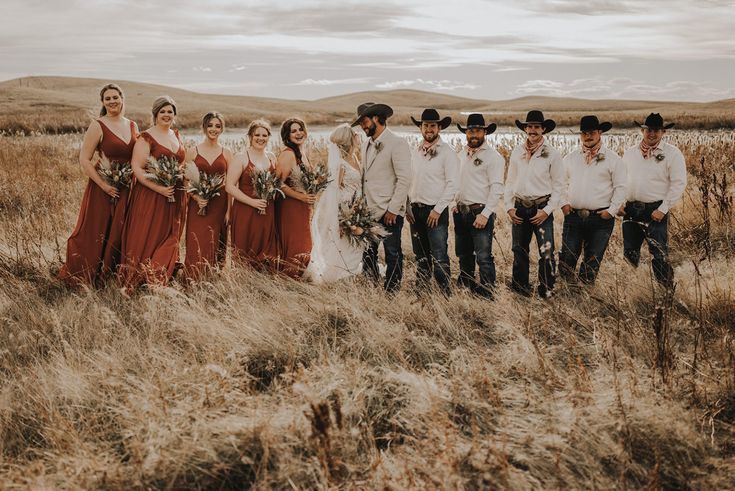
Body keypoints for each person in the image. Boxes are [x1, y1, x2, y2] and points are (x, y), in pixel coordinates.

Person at [59, 83, 138, 286]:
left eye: (115, 97)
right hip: (103, 188)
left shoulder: (132, 125)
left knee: (121, 230)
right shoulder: (98, 125)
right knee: (96, 229)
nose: (112, 101)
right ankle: (87, 274)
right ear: (103, 102)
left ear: (122, 98)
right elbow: (84, 159)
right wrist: (103, 185)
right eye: (107, 98)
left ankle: (111, 274)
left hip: (126, 187)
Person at [118, 96, 186, 289]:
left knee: (170, 234)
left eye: (170, 111)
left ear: (174, 114)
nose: (166, 115)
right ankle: (142, 276)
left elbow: (180, 164)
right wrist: (160, 188)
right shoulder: (146, 137)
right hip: (151, 195)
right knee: (149, 233)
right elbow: (137, 169)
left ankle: (162, 273)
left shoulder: (176, 135)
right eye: (162, 111)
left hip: (175, 195)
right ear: (155, 114)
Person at [620, 113, 687, 288]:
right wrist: (619, 203)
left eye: (656, 130)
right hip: (631, 209)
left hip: (655, 209)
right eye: (649, 130)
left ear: (663, 132)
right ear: (642, 131)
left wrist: (663, 209)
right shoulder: (630, 153)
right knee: (630, 252)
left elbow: (679, 183)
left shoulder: (672, 153)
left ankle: (665, 290)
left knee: (658, 253)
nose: (652, 133)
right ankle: (634, 288)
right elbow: (621, 181)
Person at [351, 102, 412, 293]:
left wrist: (393, 209)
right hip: (368, 211)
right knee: (368, 253)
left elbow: (404, 179)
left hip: (389, 211)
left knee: (392, 253)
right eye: (360, 123)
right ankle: (371, 286)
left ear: (377, 118)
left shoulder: (398, 143)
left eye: (365, 121)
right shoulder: (366, 143)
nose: (362, 126)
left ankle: (391, 291)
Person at [559, 115, 626, 285]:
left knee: (592, 260)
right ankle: (567, 293)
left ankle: (584, 296)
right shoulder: (570, 158)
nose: (588, 136)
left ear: (600, 133)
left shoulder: (613, 159)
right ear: (581, 135)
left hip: (600, 218)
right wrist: (564, 204)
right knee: (568, 257)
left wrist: (610, 212)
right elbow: (558, 182)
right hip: (573, 216)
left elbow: (621, 187)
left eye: (592, 132)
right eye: (584, 133)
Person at [504, 110, 564, 298]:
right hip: (520, 207)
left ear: (543, 129)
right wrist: (509, 207)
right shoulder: (517, 151)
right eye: (529, 127)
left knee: (546, 252)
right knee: (519, 250)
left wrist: (547, 211)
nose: (532, 130)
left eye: (536, 127)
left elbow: (559, 186)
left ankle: (546, 290)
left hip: (541, 208)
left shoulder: (552, 154)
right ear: (525, 129)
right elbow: (510, 181)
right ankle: (520, 289)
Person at [406, 109, 457, 295]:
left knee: (439, 255)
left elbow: (452, 184)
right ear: (420, 128)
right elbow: (408, 180)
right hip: (415, 210)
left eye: (432, 126)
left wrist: (437, 210)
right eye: (425, 125)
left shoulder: (448, 153)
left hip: (435, 211)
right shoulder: (415, 152)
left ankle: (445, 294)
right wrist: (407, 206)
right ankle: (422, 292)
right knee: (420, 256)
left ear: (439, 128)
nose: (429, 129)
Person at [305, 123, 365, 282]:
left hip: (358, 206)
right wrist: (340, 218)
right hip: (346, 208)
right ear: (349, 139)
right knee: (344, 242)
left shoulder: (355, 158)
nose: (358, 137)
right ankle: (341, 274)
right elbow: (334, 192)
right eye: (355, 135)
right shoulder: (340, 164)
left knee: (356, 243)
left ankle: (350, 271)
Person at [453, 113, 503, 298]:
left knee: (483, 256)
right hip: (461, 212)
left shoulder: (493, 157)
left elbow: (497, 188)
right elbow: (454, 181)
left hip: (480, 211)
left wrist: (486, 214)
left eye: (477, 131)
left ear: (484, 132)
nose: (474, 134)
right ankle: (467, 286)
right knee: (464, 254)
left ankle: (488, 292)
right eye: (470, 131)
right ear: (466, 133)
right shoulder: (459, 155)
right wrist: (453, 203)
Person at [183, 112, 231, 279]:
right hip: (198, 205)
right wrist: (197, 198)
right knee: (197, 239)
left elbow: (230, 184)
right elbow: (185, 182)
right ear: (204, 127)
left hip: (220, 204)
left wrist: (229, 212)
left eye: (218, 126)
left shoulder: (227, 153)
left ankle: (214, 277)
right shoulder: (192, 152)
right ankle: (193, 277)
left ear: (222, 129)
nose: (214, 129)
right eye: (210, 125)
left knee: (216, 241)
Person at [227, 119, 279, 270]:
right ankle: (244, 280)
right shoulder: (241, 157)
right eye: (257, 135)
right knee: (245, 247)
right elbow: (229, 186)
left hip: (267, 211)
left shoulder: (271, 157)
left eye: (264, 135)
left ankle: (265, 280)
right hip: (246, 210)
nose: (261, 138)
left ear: (269, 137)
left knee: (266, 248)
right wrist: (252, 202)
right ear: (250, 136)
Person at [275, 118, 315, 278]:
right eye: (293, 131)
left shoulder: (303, 153)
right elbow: (277, 183)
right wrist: (301, 197)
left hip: (303, 207)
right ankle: (289, 278)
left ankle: (297, 278)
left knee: (305, 244)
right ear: (287, 135)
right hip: (291, 208)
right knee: (297, 244)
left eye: (300, 129)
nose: (298, 133)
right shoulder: (288, 154)